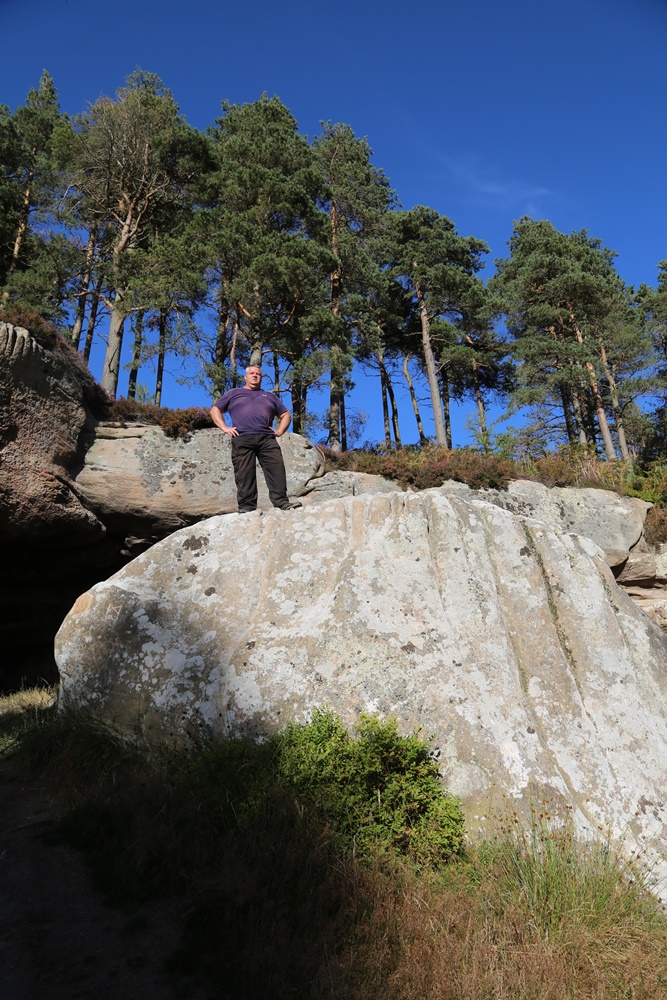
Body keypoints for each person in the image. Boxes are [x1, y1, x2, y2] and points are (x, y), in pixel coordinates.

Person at [210, 365, 303, 513]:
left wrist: (279, 431)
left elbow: (285, 415)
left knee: (276, 469)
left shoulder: (270, 396)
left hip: (267, 438)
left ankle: (282, 503)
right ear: (245, 377)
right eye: (251, 373)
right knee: (244, 472)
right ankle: (247, 507)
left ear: (261, 377)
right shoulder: (234, 393)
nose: (255, 376)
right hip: (242, 437)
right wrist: (225, 428)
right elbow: (216, 410)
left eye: (258, 374)